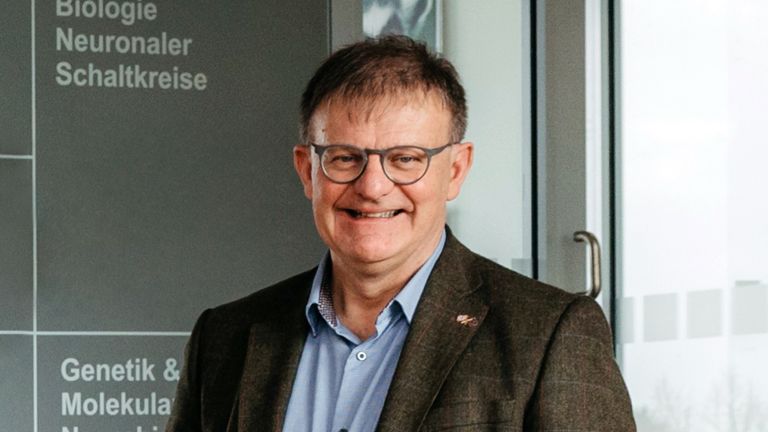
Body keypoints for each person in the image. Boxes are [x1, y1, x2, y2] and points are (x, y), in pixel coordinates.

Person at [166, 35, 636, 432]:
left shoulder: (549, 335)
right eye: (345, 157)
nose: (373, 187)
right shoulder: (224, 338)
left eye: (406, 159)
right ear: (307, 170)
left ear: (456, 170)